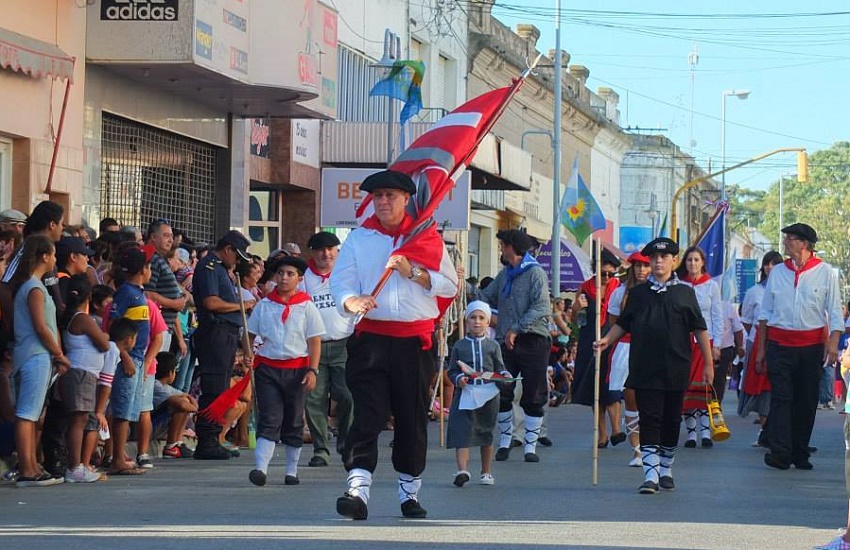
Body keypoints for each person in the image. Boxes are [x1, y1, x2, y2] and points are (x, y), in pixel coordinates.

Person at [330, 169, 458, 520]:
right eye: (378, 196)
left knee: (410, 418)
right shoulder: (360, 239)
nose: (383, 202)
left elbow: (449, 286)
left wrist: (412, 272)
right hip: (370, 339)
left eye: (390, 196)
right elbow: (340, 283)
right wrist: (351, 301)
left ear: (406, 200)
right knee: (366, 414)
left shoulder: (427, 239)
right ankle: (357, 491)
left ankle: (409, 492)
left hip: (413, 344)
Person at [595, 237, 713, 494]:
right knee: (650, 419)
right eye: (654, 258)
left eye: (664, 257)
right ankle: (650, 474)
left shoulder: (685, 293)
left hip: (676, 367)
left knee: (671, 420)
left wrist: (708, 365)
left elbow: (700, 329)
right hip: (644, 367)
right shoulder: (637, 295)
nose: (658, 261)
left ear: (673, 260)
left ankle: (666, 468)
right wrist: (606, 340)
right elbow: (622, 324)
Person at [756, 223, 843, 471]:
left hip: (811, 348)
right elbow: (766, 313)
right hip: (780, 345)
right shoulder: (778, 273)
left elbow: (834, 312)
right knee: (781, 399)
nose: (785, 243)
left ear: (804, 244)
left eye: (790, 239)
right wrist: (762, 350)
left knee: (806, 401)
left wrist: (833, 344)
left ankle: (800, 451)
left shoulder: (825, 272)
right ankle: (780, 453)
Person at [246, 255, 324, 487]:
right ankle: (260, 468)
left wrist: (313, 370)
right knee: (270, 417)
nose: (284, 278)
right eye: (280, 273)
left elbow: (314, 340)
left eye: (290, 274)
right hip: (268, 368)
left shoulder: (307, 306)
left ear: (299, 279)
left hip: (297, 370)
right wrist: (248, 351)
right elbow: (250, 333)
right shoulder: (264, 305)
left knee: (293, 419)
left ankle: (292, 470)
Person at [479, 229, 550, 463]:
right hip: (506, 342)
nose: (500, 248)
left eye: (503, 245)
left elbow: (541, 307)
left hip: (532, 339)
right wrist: (460, 285)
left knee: (533, 392)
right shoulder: (505, 274)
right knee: (504, 390)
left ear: (513, 247)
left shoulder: (535, 273)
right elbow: (485, 296)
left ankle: (530, 446)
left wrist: (515, 328)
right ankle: (506, 441)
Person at [10, 235, 70, 487]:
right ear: (44, 256)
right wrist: (58, 353)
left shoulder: (34, 285)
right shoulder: (34, 288)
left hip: (36, 354)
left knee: (33, 413)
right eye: (53, 254)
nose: (56, 259)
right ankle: (27, 469)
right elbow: (42, 327)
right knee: (27, 414)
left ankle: (32, 465)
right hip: (35, 354)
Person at [192, 230, 253, 460]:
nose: (238, 262)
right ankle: (207, 440)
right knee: (214, 388)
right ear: (227, 250)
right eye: (237, 257)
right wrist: (240, 305)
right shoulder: (210, 266)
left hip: (226, 334)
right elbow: (211, 302)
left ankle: (215, 437)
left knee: (221, 388)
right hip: (214, 332)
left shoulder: (222, 269)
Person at [303, 231, 354, 468]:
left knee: (348, 396)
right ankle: (320, 449)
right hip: (314, 347)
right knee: (315, 399)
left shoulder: (347, 276)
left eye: (331, 249)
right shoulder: (303, 280)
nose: (326, 254)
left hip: (345, 343)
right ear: (313, 253)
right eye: (321, 250)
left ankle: (346, 443)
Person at [106, 244, 154, 476]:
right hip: (128, 357)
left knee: (130, 410)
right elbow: (113, 324)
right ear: (143, 269)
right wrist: (124, 355)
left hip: (138, 356)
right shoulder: (126, 292)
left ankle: (120, 454)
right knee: (122, 410)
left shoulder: (138, 293)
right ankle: (116, 458)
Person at [446, 301, 506, 487]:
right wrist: (458, 379)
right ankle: (462, 470)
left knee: (486, 432)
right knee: (462, 430)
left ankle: (486, 472)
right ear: (467, 321)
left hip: (488, 394)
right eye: (473, 317)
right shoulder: (459, 345)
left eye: (481, 318)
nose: (477, 322)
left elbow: (500, 368)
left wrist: (505, 376)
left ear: (488, 322)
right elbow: (452, 370)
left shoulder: (493, 345)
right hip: (466, 393)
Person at [58, 275, 111, 483]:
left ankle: (78, 465)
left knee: (79, 420)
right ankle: (75, 466)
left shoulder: (73, 316)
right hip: (81, 374)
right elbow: (104, 344)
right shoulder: (82, 318)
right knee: (78, 421)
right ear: (88, 296)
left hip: (82, 373)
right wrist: (105, 336)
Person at [570, 250, 622, 448]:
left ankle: (616, 428)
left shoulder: (619, 288)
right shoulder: (585, 288)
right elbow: (577, 322)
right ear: (595, 271)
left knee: (611, 387)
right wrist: (576, 307)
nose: (607, 278)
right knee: (595, 390)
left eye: (610, 274)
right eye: (603, 273)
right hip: (589, 339)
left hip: (612, 339)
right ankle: (602, 434)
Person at [676, 246, 723, 449]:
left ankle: (706, 431)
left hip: (705, 341)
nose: (692, 264)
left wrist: (717, 344)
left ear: (702, 262)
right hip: (682, 341)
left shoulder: (711, 286)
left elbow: (717, 316)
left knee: (704, 386)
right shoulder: (678, 284)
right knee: (686, 388)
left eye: (696, 260)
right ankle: (691, 434)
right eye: (689, 260)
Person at [607, 251, 652, 467]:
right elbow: (615, 324)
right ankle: (637, 450)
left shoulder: (659, 291)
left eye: (646, 266)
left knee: (650, 400)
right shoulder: (619, 293)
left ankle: (651, 446)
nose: (642, 270)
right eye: (638, 266)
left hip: (652, 348)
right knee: (630, 398)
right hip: (626, 347)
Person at [738, 251, 783, 445]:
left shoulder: (786, 290)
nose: (770, 267)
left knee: (778, 389)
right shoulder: (754, 292)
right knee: (761, 389)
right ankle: (765, 431)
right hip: (757, 343)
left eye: (774, 263)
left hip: (781, 343)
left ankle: (778, 432)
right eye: (767, 263)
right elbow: (746, 321)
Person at [152, 352, 197, 459]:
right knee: (179, 406)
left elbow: (187, 398)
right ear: (170, 373)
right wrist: (195, 409)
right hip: (151, 425)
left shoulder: (166, 387)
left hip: (157, 425)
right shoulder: (156, 385)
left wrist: (189, 400)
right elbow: (183, 405)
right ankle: (171, 446)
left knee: (184, 401)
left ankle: (178, 442)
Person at [716, 300, 745, 403]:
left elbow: (738, 330)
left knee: (719, 381)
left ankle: (715, 408)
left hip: (723, 351)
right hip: (702, 349)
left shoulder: (728, 307)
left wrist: (739, 348)